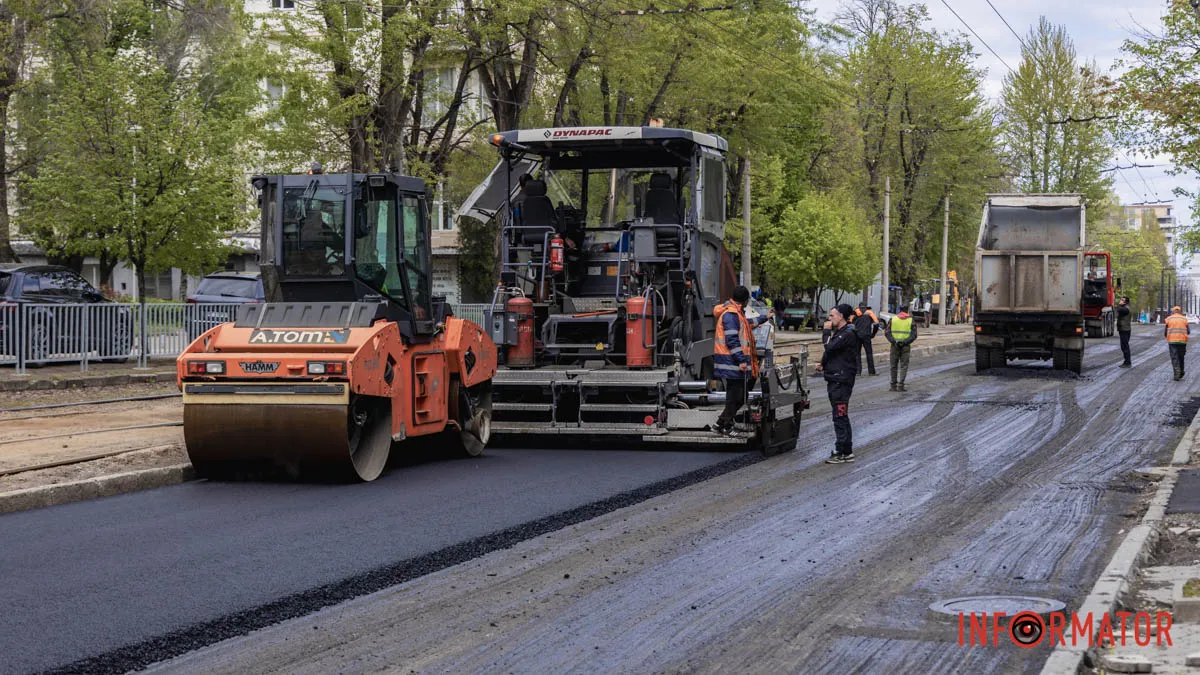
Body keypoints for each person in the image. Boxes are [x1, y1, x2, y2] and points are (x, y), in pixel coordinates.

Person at [712, 285, 773, 435]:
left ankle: (722, 424)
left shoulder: (736, 314)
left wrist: (765, 317)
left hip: (731, 363)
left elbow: (748, 324)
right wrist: (741, 360)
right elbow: (732, 340)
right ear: (745, 301)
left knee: (738, 396)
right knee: (737, 397)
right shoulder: (731, 315)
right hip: (732, 363)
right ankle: (723, 424)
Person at [816, 304, 860, 463]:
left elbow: (829, 346)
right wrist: (823, 363)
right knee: (841, 414)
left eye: (832, 315)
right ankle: (846, 450)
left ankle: (840, 451)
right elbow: (833, 352)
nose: (830, 318)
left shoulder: (847, 333)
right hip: (836, 377)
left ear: (841, 316)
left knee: (839, 415)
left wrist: (825, 331)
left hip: (841, 380)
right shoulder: (841, 332)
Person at [884, 310, 918, 391]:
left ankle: (893, 386)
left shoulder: (893, 319)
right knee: (904, 366)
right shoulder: (911, 320)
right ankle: (901, 386)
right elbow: (914, 334)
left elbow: (887, 332)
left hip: (894, 345)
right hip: (905, 346)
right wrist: (905, 342)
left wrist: (893, 341)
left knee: (893, 365)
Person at [853, 303, 880, 376]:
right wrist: (873, 334)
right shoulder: (870, 313)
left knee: (857, 354)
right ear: (866, 307)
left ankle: (857, 371)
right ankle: (871, 372)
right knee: (869, 353)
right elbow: (876, 324)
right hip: (866, 336)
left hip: (856, 336)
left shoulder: (854, 312)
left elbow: (849, 324)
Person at [1165, 305, 1190, 381]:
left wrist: (1168, 337)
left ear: (1173, 311)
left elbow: (1165, 332)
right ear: (1180, 311)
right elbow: (1188, 331)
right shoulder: (1184, 319)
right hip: (1182, 341)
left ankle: (1176, 373)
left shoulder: (1169, 319)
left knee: (1174, 357)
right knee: (1181, 357)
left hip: (1172, 341)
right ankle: (1181, 371)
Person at [1117, 296, 1133, 368]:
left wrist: (1119, 304)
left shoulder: (1126, 309)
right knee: (1124, 346)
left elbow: (1119, 309)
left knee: (1125, 346)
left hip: (1125, 329)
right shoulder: (1126, 308)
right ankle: (1126, 361)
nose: (1121, 301)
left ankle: (1127, 362)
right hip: (1124, 329)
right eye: (1121, 300)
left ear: (1126, 302)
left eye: (1123, 300)